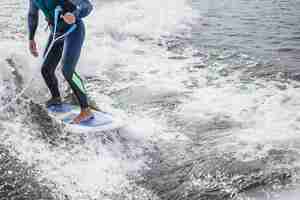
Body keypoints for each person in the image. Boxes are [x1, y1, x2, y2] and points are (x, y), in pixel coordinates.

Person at [28, 0, 94, 124]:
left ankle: (86, 110)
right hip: (56, 33)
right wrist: (31, 38)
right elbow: (32, 14)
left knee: (67, 71)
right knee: (46, 69)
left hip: (73, 30)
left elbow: (86, 5)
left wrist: (75, 14)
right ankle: (56, 98)